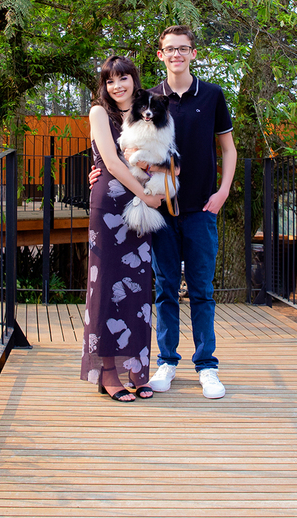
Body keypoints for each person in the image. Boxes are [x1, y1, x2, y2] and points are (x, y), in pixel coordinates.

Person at [90, 26, 237, 398]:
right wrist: (97, 171)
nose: (176, 55)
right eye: (170, 49)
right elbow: (118, 150)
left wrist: (223, 191)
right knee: (165, 290)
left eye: (183, 49)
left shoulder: (213, 95)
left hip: (201, 208)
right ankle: (167, 362)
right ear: (161, 55)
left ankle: (207, 367)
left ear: (193, 53)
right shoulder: (147, 99)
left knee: (202, 291)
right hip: (159, 210)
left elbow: (228, 148)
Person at [81, 55, 165, 402]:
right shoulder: (100, 113)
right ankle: (108, 373)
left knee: (138, 288)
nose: (117, 86)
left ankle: (138, 369)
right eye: (110, 80)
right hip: (110, 208)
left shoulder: (149, 109)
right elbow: (112, 162)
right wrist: (146, 194)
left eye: (123, 78)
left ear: (134, 79)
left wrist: (156, 183)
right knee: (106, 285)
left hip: (140, 209)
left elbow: (163, 154)